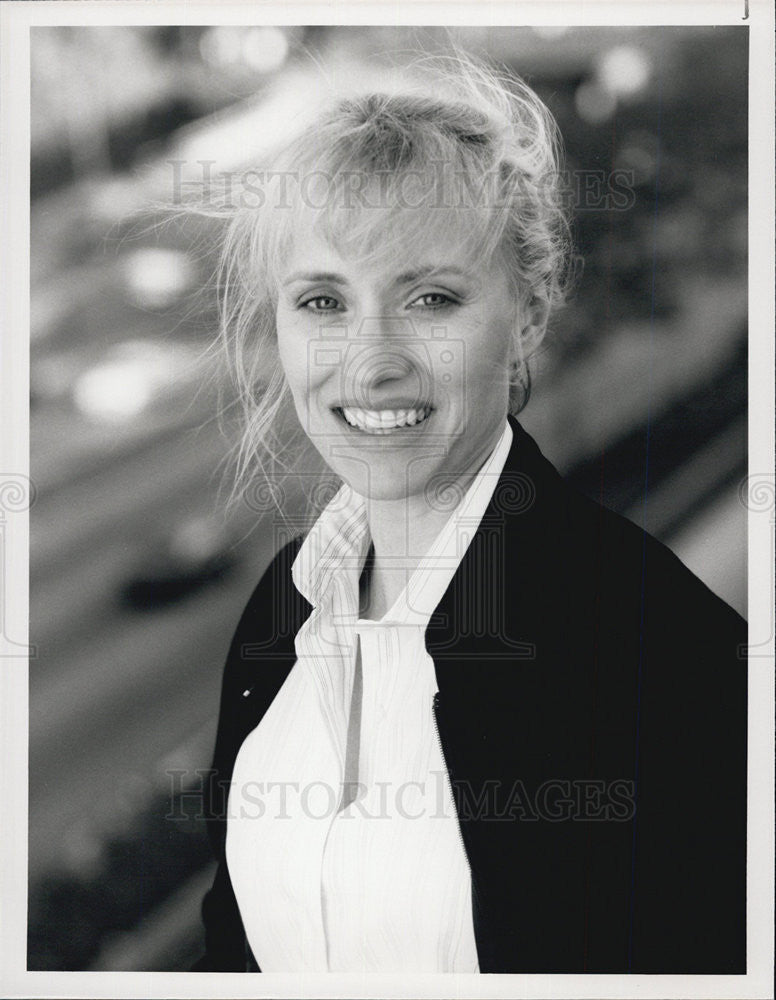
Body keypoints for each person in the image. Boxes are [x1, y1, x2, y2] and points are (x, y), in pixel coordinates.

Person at [192, 54, 747, 974]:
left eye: (432, 299)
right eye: (324, 300)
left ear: (526, 315)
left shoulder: (653, 644)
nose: (369, 362)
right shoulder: (280, 613)